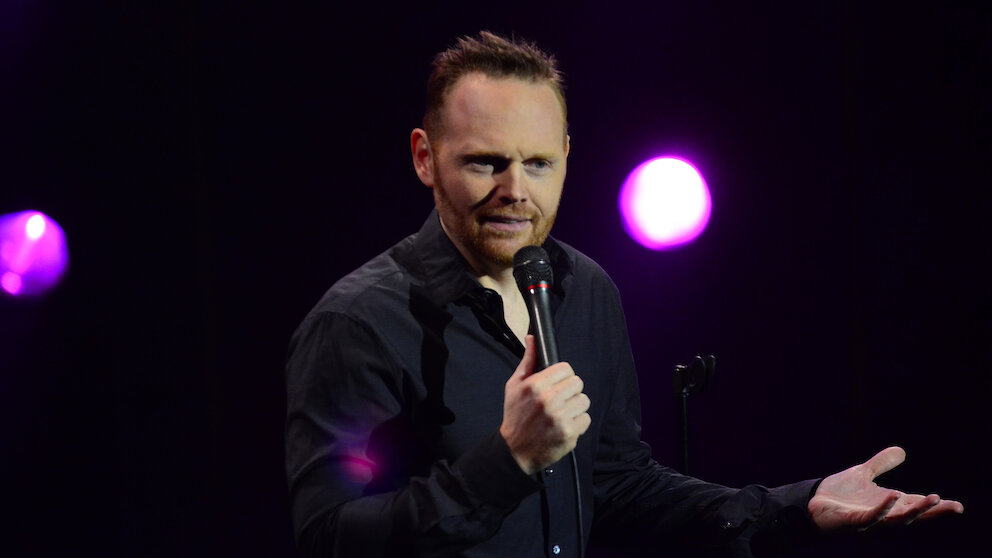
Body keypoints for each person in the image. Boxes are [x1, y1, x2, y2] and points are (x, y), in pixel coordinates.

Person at [284, 31, 963, 558]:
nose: (515, 189)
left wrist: (795, 505)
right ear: (425, 157)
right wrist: (509, 460)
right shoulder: (358, 323)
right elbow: (327, 539)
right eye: (485, 162)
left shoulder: (585, 291)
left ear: (567, 156)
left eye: (538, 163)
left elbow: (616, 484)